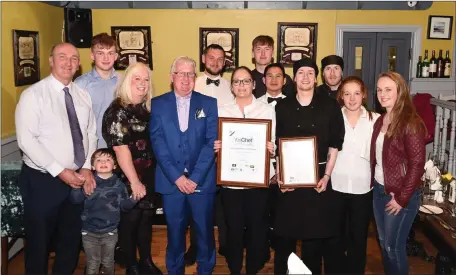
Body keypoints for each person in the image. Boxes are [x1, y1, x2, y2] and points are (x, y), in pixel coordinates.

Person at [15, 42, 97, 274]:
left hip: (76, 181)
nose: (68, 62)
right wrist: (60, 171)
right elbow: (26, 140)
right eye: (62, 57)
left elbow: (90, 133)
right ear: (51, 61)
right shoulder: (33, 95)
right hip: (43, 182)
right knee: (39, 244)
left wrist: (88, 166)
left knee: (70, 242)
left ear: (79, 64)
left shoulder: (82, 95)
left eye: (73, 58)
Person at [273, 58, 345, 275]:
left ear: (316, 78)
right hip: (290, 183)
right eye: (301, 73)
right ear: (293, 78)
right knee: (285, 240)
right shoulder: (282, 106)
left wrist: (327, 176)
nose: (305, 77)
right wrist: (280, 178)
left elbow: (335, 145)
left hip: (318, 182)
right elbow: (277, 145)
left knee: (313, 243)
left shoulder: (330, 106)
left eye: (310, 73)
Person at [149, 56, 218, 275]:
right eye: (181, 73)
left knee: (204, 232)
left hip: (202, 181)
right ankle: (175, 270)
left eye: (190, 74)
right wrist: (177, 177)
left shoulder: (208, 103)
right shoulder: (158, 104)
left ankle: (205, 270)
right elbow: (158, 143)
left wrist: (195, 177)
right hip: (172, 183)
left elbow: (211, 143)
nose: (186, 78)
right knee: (175, 232)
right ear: (172, 77)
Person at [101, 62, 162, 275]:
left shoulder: (147, 109)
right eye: (137, 78)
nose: (142, 83)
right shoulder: (117, 110)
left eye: (146, 79)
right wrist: (134, 181)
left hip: (149, 174)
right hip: (128, 177)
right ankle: (131, 265)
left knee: (146, 219)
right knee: (130, 222)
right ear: (127, 81)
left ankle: (146, 260)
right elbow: (121, 150)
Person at [214, 66, 275, 274]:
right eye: (237, 82)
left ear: (254, 84)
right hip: (231, 182)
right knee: (234, 227)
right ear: (232, 86)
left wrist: (272, 148)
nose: (242, 85)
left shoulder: (267, 110)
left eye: (246, 81)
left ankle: (252, 267)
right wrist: (217, 147)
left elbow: (274, 141)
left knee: (258, 227)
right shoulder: (222, 111)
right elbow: (215, 141)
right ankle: (234, 267)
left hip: (258, 182)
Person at [371, 72, 426, 275]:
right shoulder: (381, 120)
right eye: (379, 90)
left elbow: (417, 164)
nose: (382, 94)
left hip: (400, 194)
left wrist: (402, 199)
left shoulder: (410, 122)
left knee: (394, 248)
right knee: (385, 244)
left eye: (388, 89)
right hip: (379, 190)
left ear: (400, 92)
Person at [186, 44, 230, 266]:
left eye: (220, 59)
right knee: (197, 203)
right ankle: (195, 246)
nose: (215, 62)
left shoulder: (232, 86)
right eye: (211, 58)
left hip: (226, 154)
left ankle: (223, 244)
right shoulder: (192, 85)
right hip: (199, 154)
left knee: (222, 202)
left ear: (225, 62)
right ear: (204, 59)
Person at [331, 76, 380, 274]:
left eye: (357, 93)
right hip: (336, 186)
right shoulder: (333, 117)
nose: (352, 99)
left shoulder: (375, 120)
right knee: (335, 240)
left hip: (363, 189)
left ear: (364, 95)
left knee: (358, 240)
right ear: (341, 96)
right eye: (347, 94)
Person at [70, 149, 142, 275]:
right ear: (92, 166)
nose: (103, 162)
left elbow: (125, 207)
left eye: (107, 159)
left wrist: (135, 198)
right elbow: (76, 200)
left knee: (108, 262)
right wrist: (76, 186)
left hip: (110, 232)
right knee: (92, 264)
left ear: (115, 165)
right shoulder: (88, 183)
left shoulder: (119, 186)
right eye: (99, 160)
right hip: (89, 232)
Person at [257, 62, 287, 256]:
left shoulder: (294, 104)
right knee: (260, 212)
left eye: (278, 76)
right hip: (260, 168)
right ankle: (261, 248)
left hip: (284, 169)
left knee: (282, 212)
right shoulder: (255, 104)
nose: (274, 80)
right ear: (263, 80)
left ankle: (281, 248)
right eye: (270, 76)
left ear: (284, 80)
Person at [75, 32, 119, 149]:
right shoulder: (81, 84)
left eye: (110, 53)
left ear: (116, 56)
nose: (106, 58)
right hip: (91, 150)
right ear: (92, 56)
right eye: (100, 53)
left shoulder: (124, 82)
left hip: (119, 149)